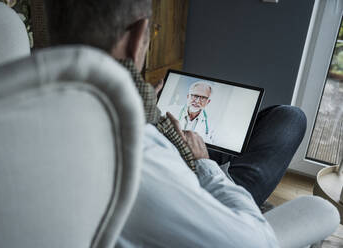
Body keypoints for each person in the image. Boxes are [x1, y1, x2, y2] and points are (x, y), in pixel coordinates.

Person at [46, 0, 306, 246]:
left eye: (201, 98)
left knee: (284, 115)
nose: (195, 100)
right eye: (193, 95)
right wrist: (205, 164)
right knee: (293, 119)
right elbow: (258, 242)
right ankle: (228, 173)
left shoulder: (38, 110)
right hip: (200, 179)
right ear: (138, 37)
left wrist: (147, 104)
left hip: (180, 140)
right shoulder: (145, 162)